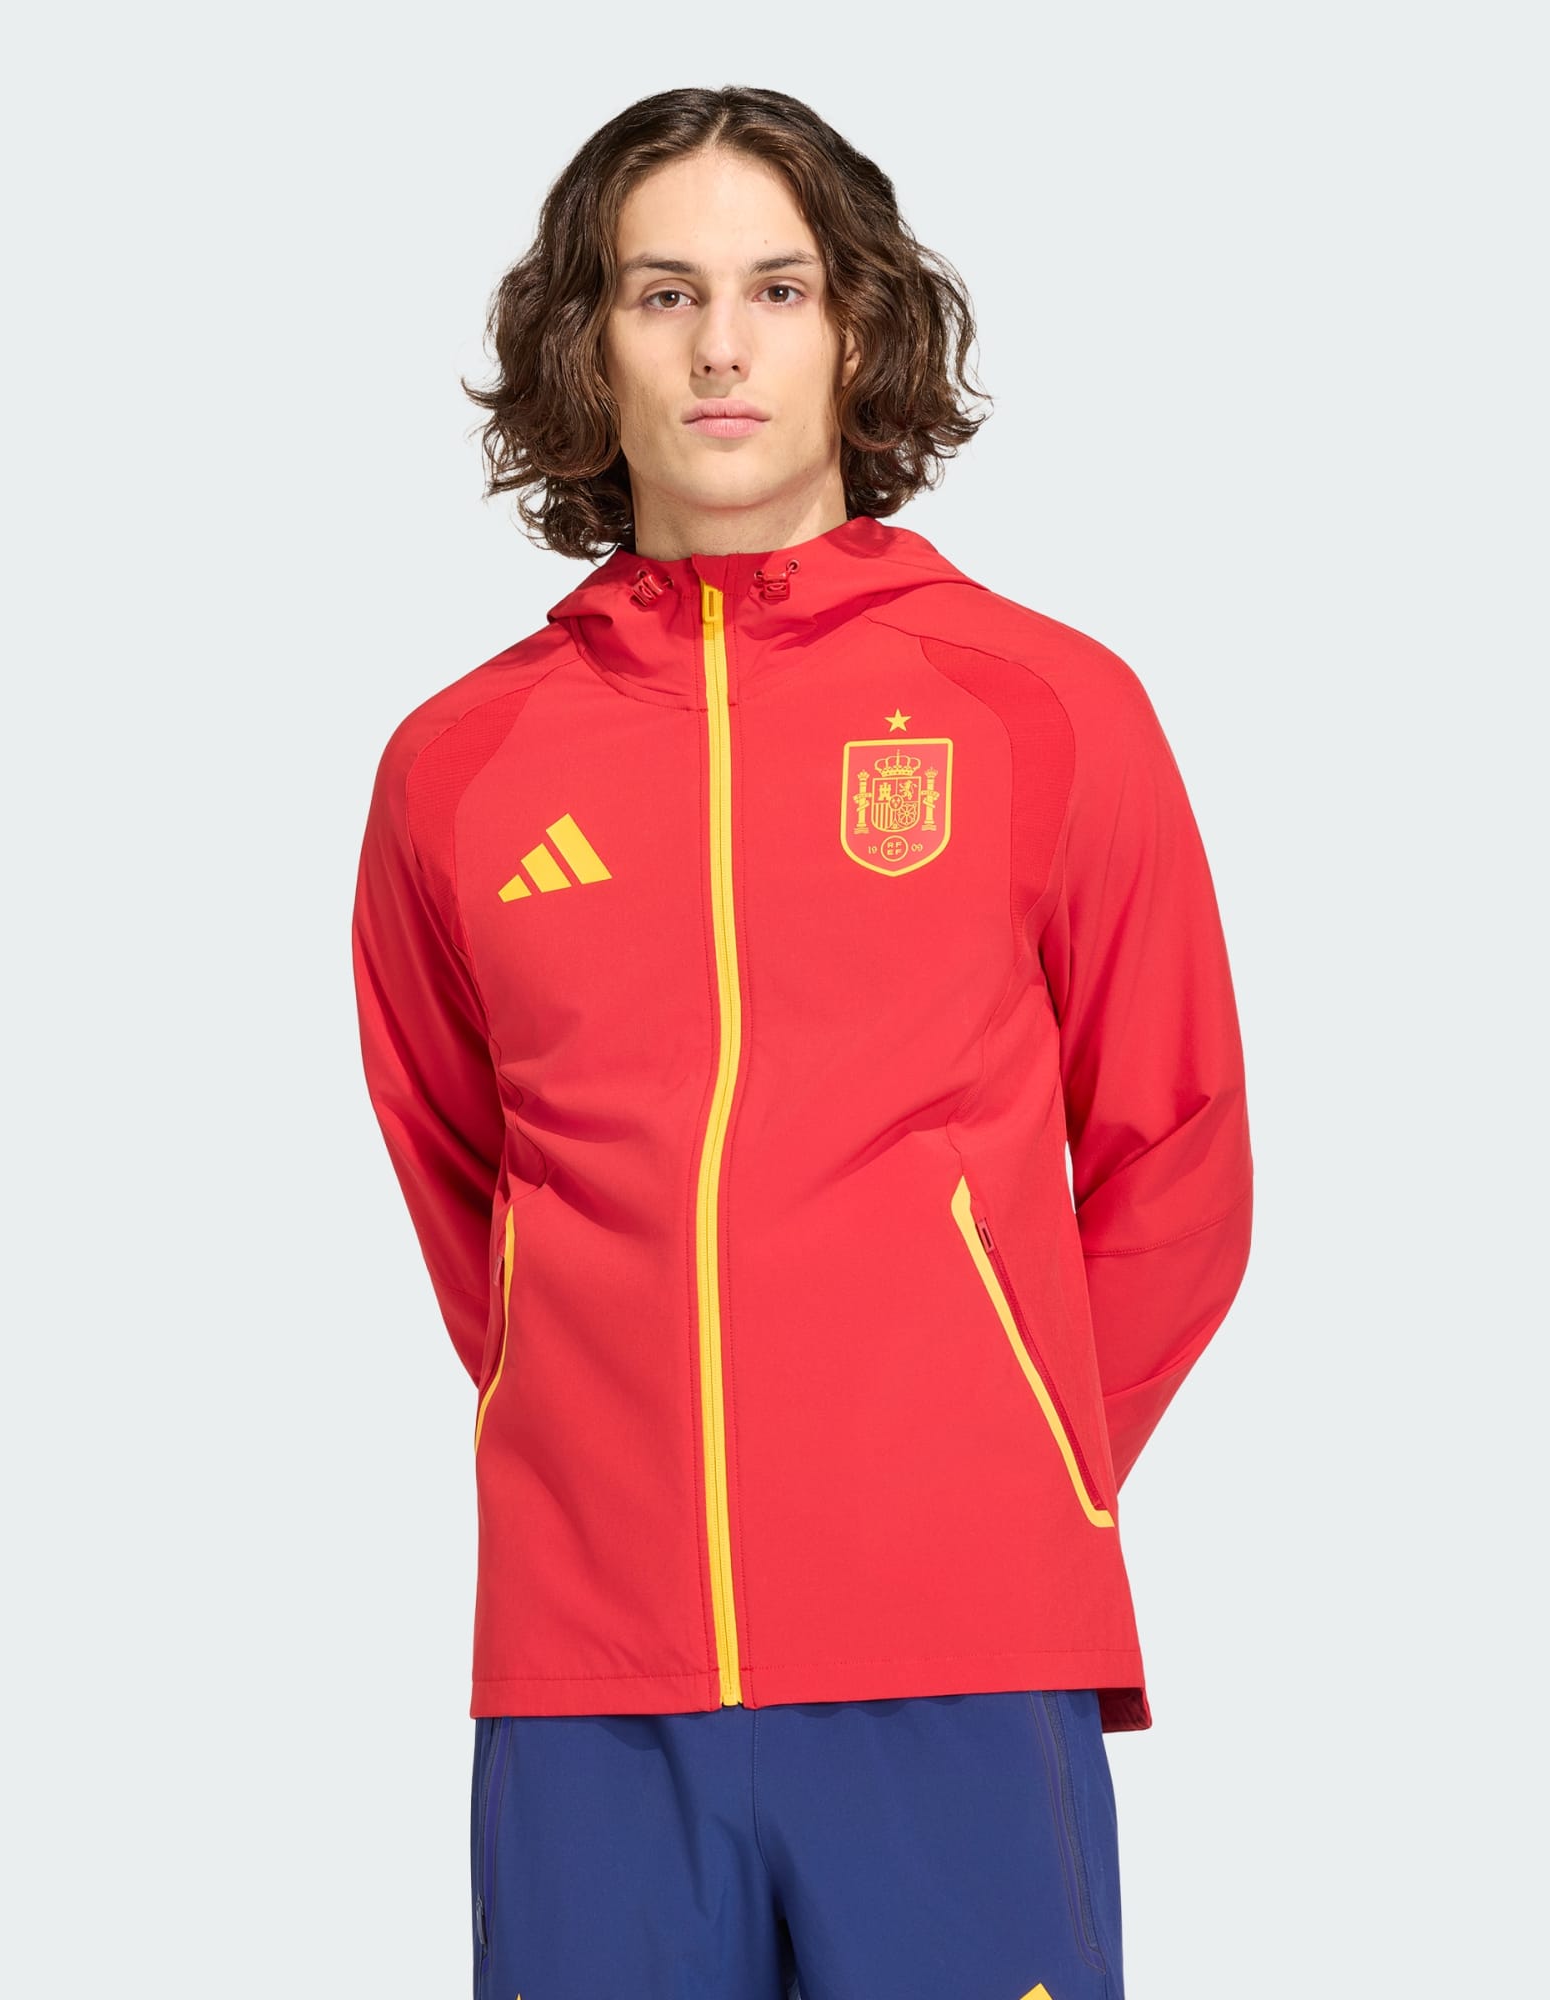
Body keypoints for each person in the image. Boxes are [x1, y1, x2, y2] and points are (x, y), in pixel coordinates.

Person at [351, 84, 1253, 2000]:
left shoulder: (1041, 707)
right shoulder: (458, 766)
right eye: (662, 292)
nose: (722, 347)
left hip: (961, 1657)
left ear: (858, 330)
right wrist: (604, 1438)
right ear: (587, 343)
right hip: (590, 1685)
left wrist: (998, 1462)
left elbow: (1177, 1149)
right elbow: (463, 1178)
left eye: (777, 288)